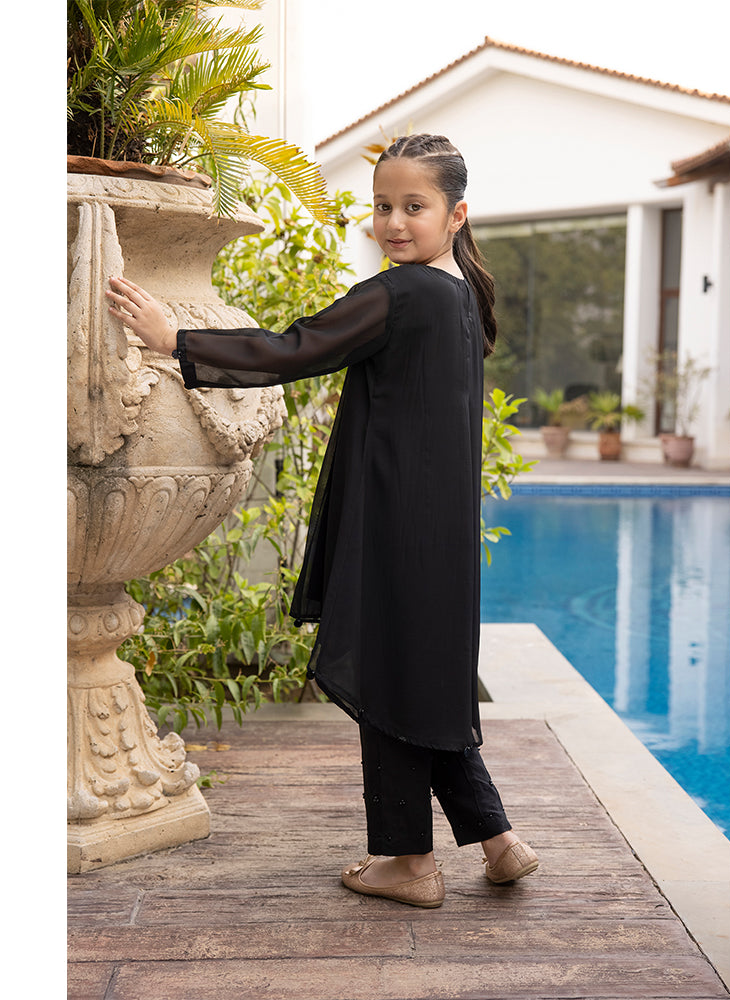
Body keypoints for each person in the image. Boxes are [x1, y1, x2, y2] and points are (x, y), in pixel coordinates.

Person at [107, 133, 539, 908]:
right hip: (439, 533)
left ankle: (408, 863)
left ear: (456, 214)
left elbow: (294, 349)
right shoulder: (461, 298)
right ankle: (498, 839)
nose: (394, 222)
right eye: (383, 205)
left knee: (387, 678)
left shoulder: (403, 292)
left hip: (394, 526)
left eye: (414, 206)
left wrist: (176, 339)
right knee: (422, 677)